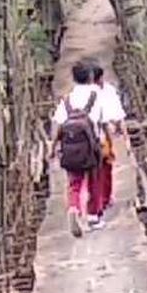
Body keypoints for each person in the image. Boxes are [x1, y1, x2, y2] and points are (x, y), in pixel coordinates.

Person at [51, 60, 106, 236]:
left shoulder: (67, 100)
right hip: (92, 146)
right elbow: (102, 120)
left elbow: (58, 125)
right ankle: (93, 216)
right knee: (94, 179)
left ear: (73, 78)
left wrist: (52, 148)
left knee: (74, 183)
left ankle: (74, 208)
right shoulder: (96, 95)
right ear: (90, 77)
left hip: (71, 147)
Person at [93, 64, 128, 212]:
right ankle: (103, 199)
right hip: (102, 135)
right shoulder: (100, 92)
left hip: (99, 135)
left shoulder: (108, 91)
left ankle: (102, 199)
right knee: (103, 168)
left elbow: (118, 114)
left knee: (101, 168)